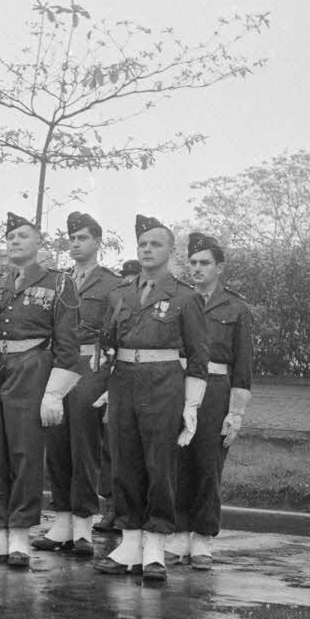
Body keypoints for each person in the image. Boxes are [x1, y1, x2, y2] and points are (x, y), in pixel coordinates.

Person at [0, 212, 80, 568]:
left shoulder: (59, 283)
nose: (14, 242)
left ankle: (21, 535)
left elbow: (68, 345)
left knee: (24, 452)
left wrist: (55, 392)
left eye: (23, 236)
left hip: (31, 366)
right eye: (9, 237)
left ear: (38, 242)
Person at [95, 215, 209, 583]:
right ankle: (129, 542)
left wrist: (191, 405)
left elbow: (198, 357)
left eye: (155, 244)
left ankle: (156, 546)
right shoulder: (122, 294)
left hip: (163, 385)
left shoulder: (184, 297)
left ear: (170, 251)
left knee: (159, 464)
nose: (147, 249)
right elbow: (109, 342)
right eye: (143, 244)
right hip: (124, 382)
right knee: (124, 463)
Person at [33, 212, 120, 556]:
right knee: (56, 442)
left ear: (98, 242)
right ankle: (62, 521)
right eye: (72, 238)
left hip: (92, 366)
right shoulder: (59, 281)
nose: (75, 243)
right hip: (59, 365)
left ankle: (83, 525)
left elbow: (118, 334)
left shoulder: (112, 285)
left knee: (83, 445)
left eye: (82, 238)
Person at [172, 233, 255, 570]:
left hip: (217, 389)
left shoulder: (236, 308)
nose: (197, 268)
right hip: (178, 385)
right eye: (192, 262)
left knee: (209, 462)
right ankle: (177, 534)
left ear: (219, 267)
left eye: (204, 263)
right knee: (177, 461)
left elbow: (244, 365)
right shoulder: (178, 302)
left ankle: (203, 539)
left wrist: (236, 412)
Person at [93, 258, 142, 534]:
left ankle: (131, 512)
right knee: (110, 448)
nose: (127, 282)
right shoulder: (117, 302)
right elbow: (107, 340)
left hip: (146, 383)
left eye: (132, 277)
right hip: (114, 379)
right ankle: (111, 506)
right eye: (125, 277)